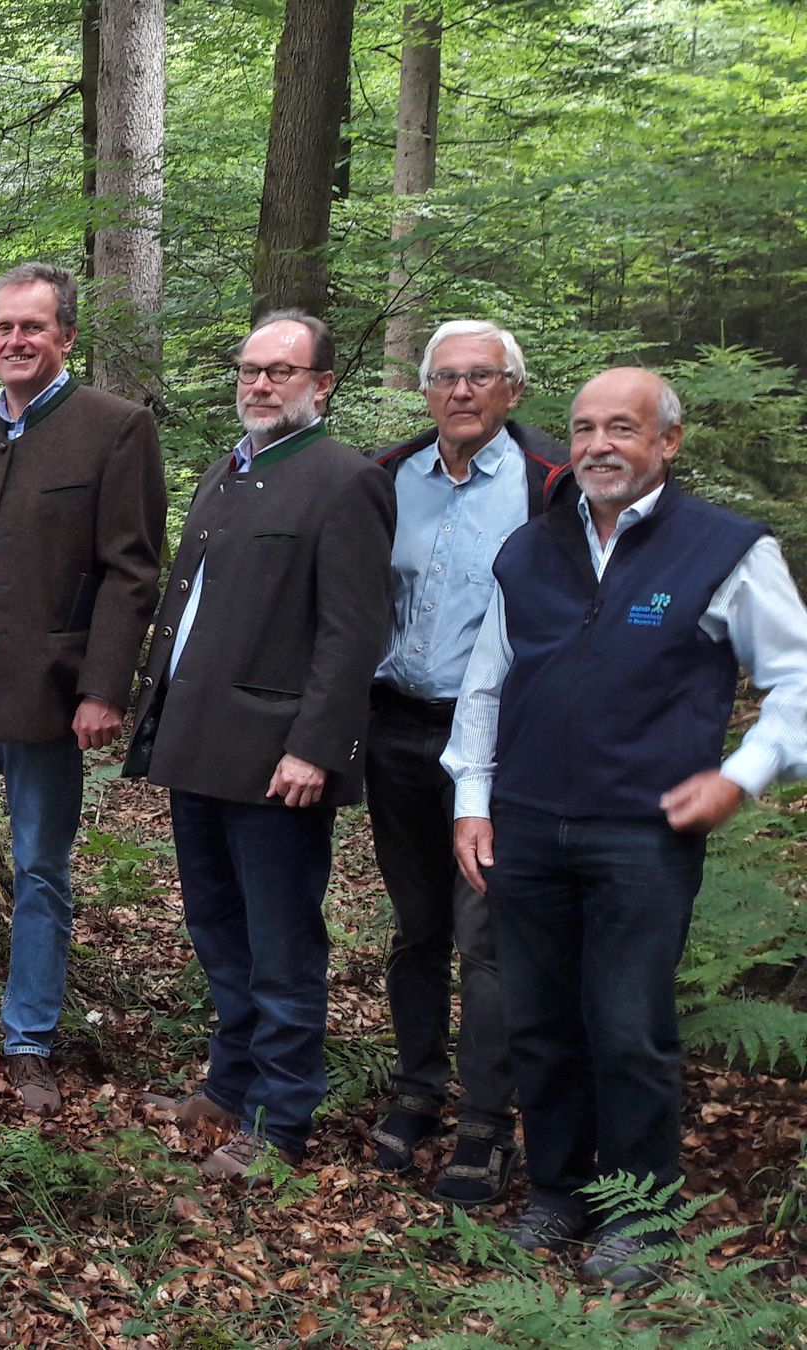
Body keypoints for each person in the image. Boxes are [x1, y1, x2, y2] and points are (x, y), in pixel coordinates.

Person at [445, 367, 807, 1284]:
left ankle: (642, 1214)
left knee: (628, 1026)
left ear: (666, 442)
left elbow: (796, 679)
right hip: (526, 825)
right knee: (538, 1021)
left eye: (622, 427)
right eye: (584, 428)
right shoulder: (531, 550)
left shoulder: (723, 549)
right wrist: (472, 799)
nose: (599, 445)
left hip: (642, 834)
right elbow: (488, 680)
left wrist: (741, 778)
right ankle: (559, 1192)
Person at [124, 310, 396, 1180]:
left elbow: (353, 632)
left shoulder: (345, 480)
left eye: (282, 371)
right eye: (250, 369)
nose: (262, 384)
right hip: (198, 743)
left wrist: (316, 746)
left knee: (281, 947)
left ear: (323, 385)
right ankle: (228, 1086)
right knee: (218, 931)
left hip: (279, 760)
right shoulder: (228, 471)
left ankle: (279, 1123)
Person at [0, 264, 167, 1114]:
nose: (16, 341)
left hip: (49, 688)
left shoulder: (116, 428)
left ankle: (28, 1038)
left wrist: (104, 688)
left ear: (66, 335)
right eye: (4, 327)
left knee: (40, 867)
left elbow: (132, 571)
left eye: (32, 327)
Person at [359, 320, 571, 1203]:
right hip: (397, 730)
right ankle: (417, 1088)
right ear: (425, 389)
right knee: (417, 927)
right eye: (445, 376)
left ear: (512, 389)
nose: (461, 391)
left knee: (486, 936)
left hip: (501, 744)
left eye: (481, 376)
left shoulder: (549, 484)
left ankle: (487, 1119)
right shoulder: (387, 476)